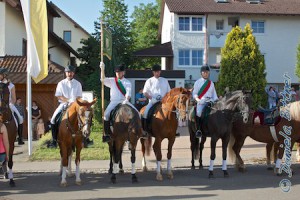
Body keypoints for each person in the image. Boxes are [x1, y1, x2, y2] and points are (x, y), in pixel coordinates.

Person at [99, 62, 140, 143]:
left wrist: (126, 100)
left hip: (124, 101)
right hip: (114, 102)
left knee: (138, 113)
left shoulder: (127, 82)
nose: (118, 74)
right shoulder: (112, 80)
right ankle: (106, 134)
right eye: (117, 72)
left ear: (123, 72)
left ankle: (140, 131)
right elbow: (102, 80)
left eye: (120, 72)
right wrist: (102, 69)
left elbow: (128, 92)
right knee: (106, 115)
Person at [49, 65, 82, 148]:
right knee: (53, 120)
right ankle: (54, 140)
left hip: (75, 104)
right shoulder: (61, 83)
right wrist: (68, 101)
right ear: (65, 73)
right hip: (63, 104)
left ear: (73, 73)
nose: (69, 74)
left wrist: (73, 102)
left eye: (71, 72)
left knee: (84, 118)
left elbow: (79, 96)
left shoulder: (78, 84)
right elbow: (59, 96)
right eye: (68, 72)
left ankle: (85, 138)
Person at [142, 64, 171, 133]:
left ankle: (173, 130)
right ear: (153, 72)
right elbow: (145, 92)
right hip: (152, 101)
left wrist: (165, 99)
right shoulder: (149, 81)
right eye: (155, 72)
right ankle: (145, 130)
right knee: (145, 113)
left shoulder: (165, 80)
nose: (157, 73)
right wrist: (151, 98)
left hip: (164, 102)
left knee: (172, 112)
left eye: (158, 71)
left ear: (160, 72)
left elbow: (169, 92)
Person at [192, 65, 218, 138]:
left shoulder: (211, 83)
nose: (206, 73)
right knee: (199, 113)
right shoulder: (197, 82)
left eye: (207, 72)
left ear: (209, 73)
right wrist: (198, 100)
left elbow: (214, 95)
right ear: (201, 73)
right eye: (204, 72)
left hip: (210, 101)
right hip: (201, 101)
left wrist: (216, 100)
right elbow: (194, 93)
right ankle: (198, 130)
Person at [0, 68, 24, 136]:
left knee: (20, 118)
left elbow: (14, 98)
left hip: (9, 104)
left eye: (0, 75)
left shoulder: (11, 85)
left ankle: (20, 137)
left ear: (5, 75)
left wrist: (10, 104)